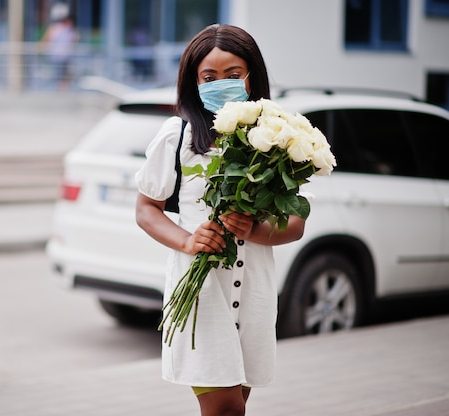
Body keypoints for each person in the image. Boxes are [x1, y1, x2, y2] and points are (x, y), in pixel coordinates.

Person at [134, 24, 306, 416]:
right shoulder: (177, 136)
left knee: (236, 406)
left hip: (253, 295)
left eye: (233, 74)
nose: (221, 84)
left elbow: (295, 224)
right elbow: (146, 209)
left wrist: (256, 229)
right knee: (226, 409)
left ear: (251, 76)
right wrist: (187, 241)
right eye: (209, 77)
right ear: (194, 82)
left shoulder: (278, 137)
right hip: (201, 294)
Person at [40, 3, 78, 90]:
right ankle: (57, 89)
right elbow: (46, 39)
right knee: (57, 75)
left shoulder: (70, 30)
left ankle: (62, 90)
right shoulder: (56, 29)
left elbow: (74, 41)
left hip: (66, 56)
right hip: (57, 57)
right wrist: (40, 50)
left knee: (65, 75)